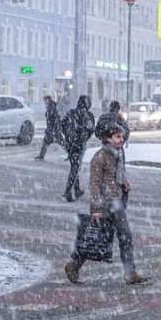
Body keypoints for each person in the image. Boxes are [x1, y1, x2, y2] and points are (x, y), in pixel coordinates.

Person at [65, 123, 149, 285]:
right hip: (104, 205)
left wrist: (125, 183)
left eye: (122, 136)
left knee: (125, 237)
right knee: (97, 239)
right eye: (118, 137)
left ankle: (130, 273)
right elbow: (94, 184)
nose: (121, 139)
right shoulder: (100, 157)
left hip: (116, 203)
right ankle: (73, 265)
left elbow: (118, 173)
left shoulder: (118, 153)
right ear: (108, 138)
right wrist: (95, 208)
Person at [61, 95, 95, 202]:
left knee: (74, 165)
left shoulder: (71, 112)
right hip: (79, 143)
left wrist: (67, 136)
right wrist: (84, 137)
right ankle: (68, 191)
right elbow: (91, 128)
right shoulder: (88, 115)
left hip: (70, 143)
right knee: (76, 167)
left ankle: (77, 189)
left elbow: (62, 124)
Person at [34, 95, 63, 161]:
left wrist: (52, 128)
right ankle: (41, 156)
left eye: (45, 100)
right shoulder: (51, 107)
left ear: (48, 100)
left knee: (60, 142)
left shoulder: (51, 107)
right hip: (53, 129)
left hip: (53, 130)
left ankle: (71, 154)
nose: (44, 102)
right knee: (46, 143)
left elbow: (54, 119)